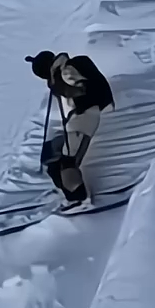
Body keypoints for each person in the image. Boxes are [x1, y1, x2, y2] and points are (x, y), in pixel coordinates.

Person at [25, 50, 114, 205]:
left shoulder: (66, 71)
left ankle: (78, 199)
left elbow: (81, 90)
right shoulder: (71, 66)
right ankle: (71, 192)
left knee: (67, 161)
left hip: (84, 118)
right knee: (62, 159)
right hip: (81, 118)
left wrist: (59, 87)